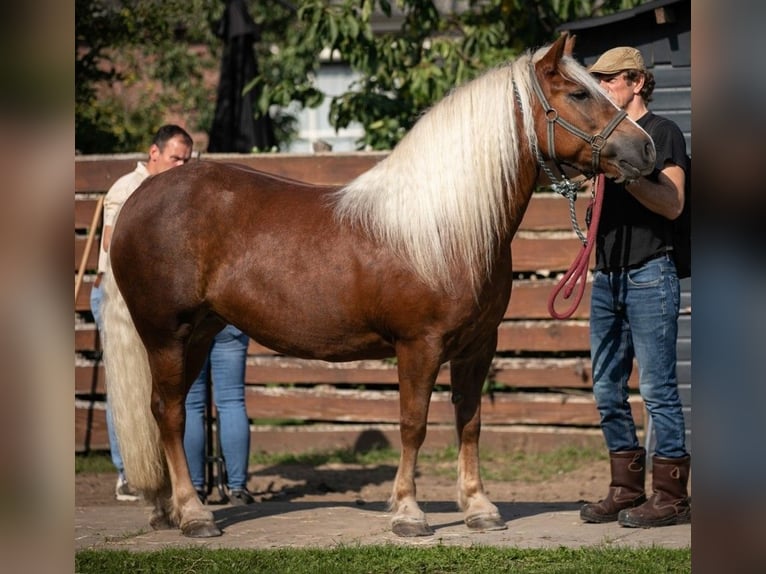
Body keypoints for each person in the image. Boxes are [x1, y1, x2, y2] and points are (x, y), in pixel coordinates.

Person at [579, 47, 690, 528]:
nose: (603, 87)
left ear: (637, 81)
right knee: (606, 387)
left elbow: (673, 204)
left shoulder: (662, 132)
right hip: (607, 276)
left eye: (610, 79)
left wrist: (628, 180)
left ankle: (670, 496)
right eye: (598, 80)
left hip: (650, 273)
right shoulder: (605, 139)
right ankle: (625, 489)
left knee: (658, 389)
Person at [90, 124, 194, 501]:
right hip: (117, 291)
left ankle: (162, 471)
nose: (181, 166)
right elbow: (112, 244)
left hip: (152, 297)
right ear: (154, 154)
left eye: (187, 159)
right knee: (125, 380)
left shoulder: (174, 193)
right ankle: (126, 472)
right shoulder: (127, 189)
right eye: (174, 158)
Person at [183, 324, 254, 506]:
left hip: (194, 325)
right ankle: (237, 489)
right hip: (230, 319)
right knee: (232, 401)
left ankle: (195, 488)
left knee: (191, 405)